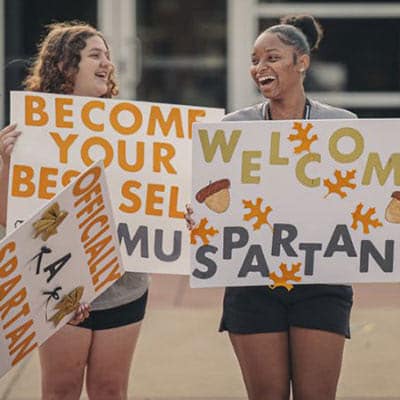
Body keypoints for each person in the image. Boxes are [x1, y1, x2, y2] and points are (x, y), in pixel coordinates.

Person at [186, 14, 355, 400]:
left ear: (302, 62)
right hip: (252, 281)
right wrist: (196, 214)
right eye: (255, 59)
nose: (260, 67)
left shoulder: (342, 126)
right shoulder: (231, 130)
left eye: (273, 58)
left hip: (321, 280)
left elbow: (358, 200)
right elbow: (206, 201)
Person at [0, 22, 149, 400]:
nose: (108, 64)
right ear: (66, 67)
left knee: (109, 391)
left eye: (108, 56)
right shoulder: (29, 132)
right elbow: (10, 217)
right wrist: (4, 165)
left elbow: (152, 202)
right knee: (61, 391)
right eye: (95, 55)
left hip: (122, 285)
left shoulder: (132, 131)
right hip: (56, 280)